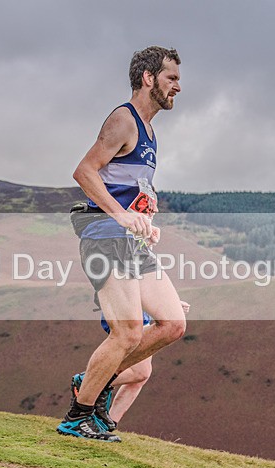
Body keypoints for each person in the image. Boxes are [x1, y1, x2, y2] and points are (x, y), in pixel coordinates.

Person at [57, 46, 186, 441]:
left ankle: (95, 379)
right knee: (128, 332)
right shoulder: (123, 119)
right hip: (105, 236)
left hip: (132, 242)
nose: (178, 86)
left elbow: (125, 184)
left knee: (173, 324)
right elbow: (84, 171)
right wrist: (120, 213)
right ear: (148, 78)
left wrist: (144, 212)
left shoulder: (149, 132)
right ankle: (78, 416)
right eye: (171, 78)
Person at [72, 300, 190, 430]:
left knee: (141, 375)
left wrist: (170, 301)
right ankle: (88, 380)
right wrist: (167, 305)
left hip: (138, 317)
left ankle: (109, 423)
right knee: (139, 373)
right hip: (129, 317)